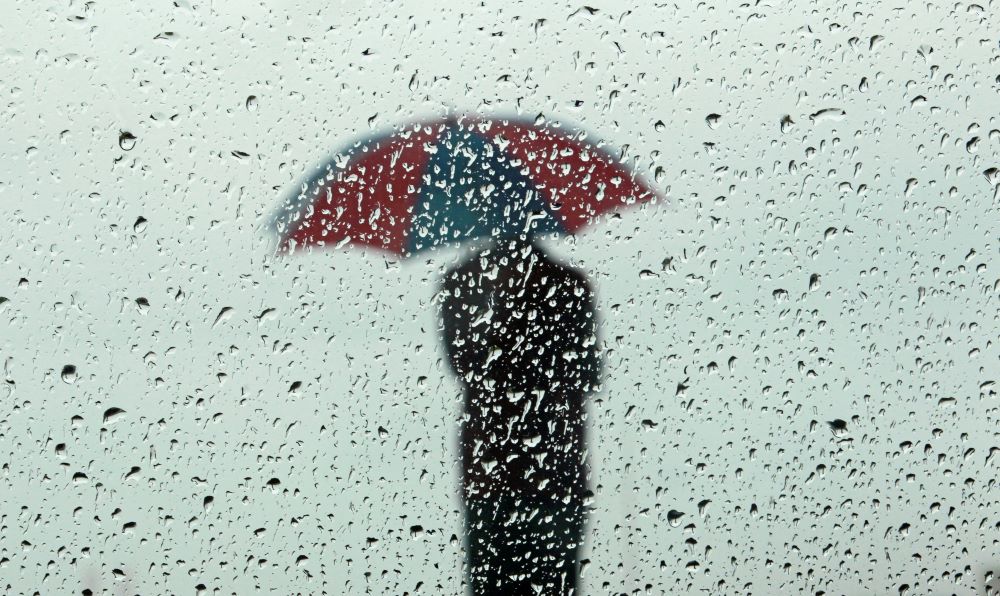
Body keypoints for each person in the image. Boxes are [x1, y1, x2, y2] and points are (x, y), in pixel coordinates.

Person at [438, 233, 602, 595]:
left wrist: (521, 316)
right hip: (498, 474)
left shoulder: (566, 284)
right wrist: (501, 309)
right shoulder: (463, 281)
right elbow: (462, 362)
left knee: (550, 583)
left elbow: (587, 371)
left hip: (550, 473)